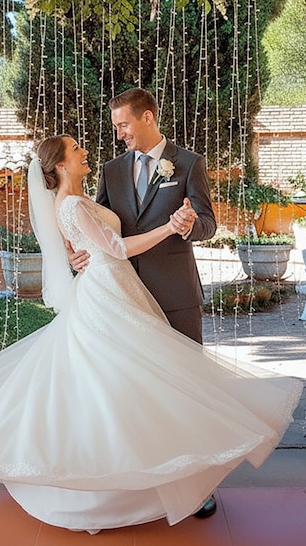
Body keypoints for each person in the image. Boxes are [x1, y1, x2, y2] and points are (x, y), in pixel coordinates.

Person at [0, 135, 302, 534]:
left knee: (133, 384)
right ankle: (119, 487)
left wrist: (79, 247)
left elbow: (91, 237)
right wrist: (169, 228)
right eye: (75, 148)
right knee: (118, 384)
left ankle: (163, 478)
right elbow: (117, 248)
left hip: (115, 287)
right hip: (107, 293)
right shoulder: (70, 202)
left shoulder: (76, 200)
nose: (84, 150)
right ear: (58, 165)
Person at [72, 87, 220, 515]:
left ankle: (199, 486)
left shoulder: (188, 163)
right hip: (122, 301)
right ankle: (145, 482)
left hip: (174, 295)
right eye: (116, 126)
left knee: (187, 389)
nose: (119, 134)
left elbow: (209, 222)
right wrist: (80, 254)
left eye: (124, 125)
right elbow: (98, 226)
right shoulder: (111, 170)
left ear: (148, 117)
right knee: (134, 392)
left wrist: (191, 223)